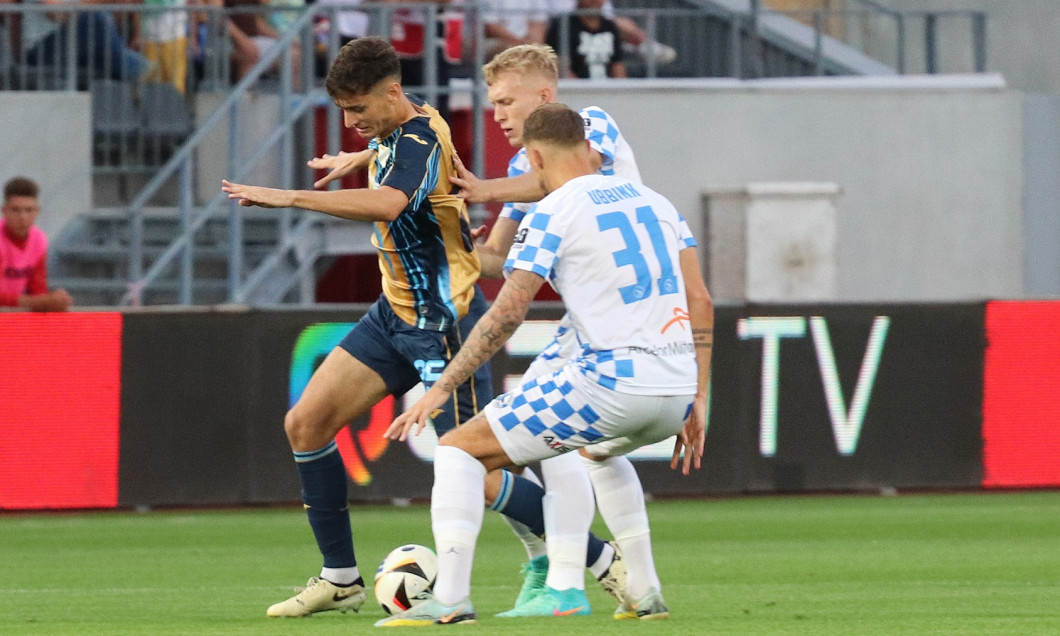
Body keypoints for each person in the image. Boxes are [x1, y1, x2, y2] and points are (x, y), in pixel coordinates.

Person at [307, 42, 639, 618]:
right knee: (523, 455)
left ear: (545, 94)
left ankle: (585, 566)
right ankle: (569, 571)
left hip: (631, 321)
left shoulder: (591, 130)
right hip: (576, 326)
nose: (499, 114)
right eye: (492, 103)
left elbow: (567, 182)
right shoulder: (514, 168)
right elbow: (493, 260)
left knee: (500, 459)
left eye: (508, 101)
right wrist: (448, 236)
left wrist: (479, 190)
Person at [378, 102, 712, 626]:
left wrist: (444, 385)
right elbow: (701, 300)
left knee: (458, 450)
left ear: (534, 157)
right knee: (595, 455)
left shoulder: (555, 210)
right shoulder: (661, 204)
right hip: (674, 390)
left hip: (609, 384)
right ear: (589, 147)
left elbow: (509, 310)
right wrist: (699, 395)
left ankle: (451, 600)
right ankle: (644, 590)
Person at [221, 36, 493, 618]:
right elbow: (393, 154)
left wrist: (291, 198)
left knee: (479, 469)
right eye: (343, 110)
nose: (350, 123)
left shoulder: (417, 138)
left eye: (359, 110)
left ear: (392, 94)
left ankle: (595, 559)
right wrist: (362, 155)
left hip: (442, 321)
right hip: (395, 311)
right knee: (307, 422)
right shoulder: (408, 115)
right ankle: (340, 577)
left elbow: (389, 204)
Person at [16, 0, 152, 82]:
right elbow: (55, 13)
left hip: (75, 46)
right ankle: (138, 70)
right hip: (40, 51)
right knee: (95, 19)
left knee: (100, 22)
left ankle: (137, 75)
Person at [0, 177, 73, 312]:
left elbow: (37, 288)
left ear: (37, 211)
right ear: (4, 211)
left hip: (11, 316)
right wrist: (43, 301)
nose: (22, 217)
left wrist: (54, 301)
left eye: (28, 210)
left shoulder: (38, 239)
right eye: (15, 210)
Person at [546, 0, 625, 79]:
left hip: (608, 88)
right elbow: (562, 69)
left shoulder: (610, 27)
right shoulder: (564, 26)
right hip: (576, 88)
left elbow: (618, 66)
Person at [482, 0, 548, 60]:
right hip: (495, 42)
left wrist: (534, 47)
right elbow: (490, 27)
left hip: (524, 43)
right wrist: (518, 45)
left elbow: (538, 23)